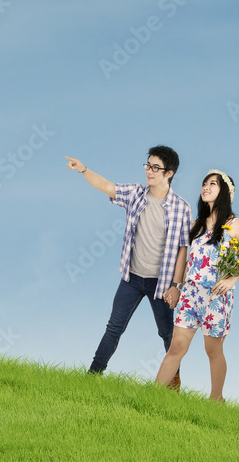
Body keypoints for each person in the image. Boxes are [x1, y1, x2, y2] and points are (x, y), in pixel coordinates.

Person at [66, 146, 192, 387]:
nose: (150, 171)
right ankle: (92, 377)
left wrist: (177, 286)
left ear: (169, 173)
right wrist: (83, 169)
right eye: (148, 165)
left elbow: (182, 250)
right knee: (114, 328)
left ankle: (172, 382)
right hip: (131, 279)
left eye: (156, 168)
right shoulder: (135, 194)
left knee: (168, 335)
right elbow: (107, 186)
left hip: (162, 284)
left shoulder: (182, 208)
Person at [155, 170, 239, 402]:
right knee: (176, 347)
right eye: (204, 183)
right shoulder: (196, 224)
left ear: (225, 192)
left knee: (212, 350)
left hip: (216, 296)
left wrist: (230, 280)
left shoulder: (235, 225)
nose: (205, 187)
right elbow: (184, 259)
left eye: (212, 184)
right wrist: (177, 286)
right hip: (190, 294)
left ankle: (216, 399)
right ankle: (153, 396)